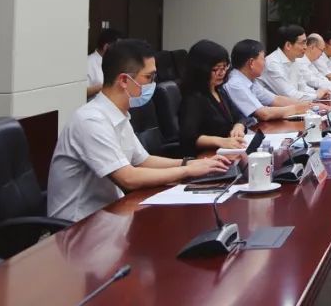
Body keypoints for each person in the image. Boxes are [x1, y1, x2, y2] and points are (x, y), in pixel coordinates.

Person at [48, 39, 231, 221]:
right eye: (149, 77)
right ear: (124, 80)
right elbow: (128, 178)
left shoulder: (119, 114)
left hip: (112, 213)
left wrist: (190, 163)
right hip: (78, 224)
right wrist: (187, 171)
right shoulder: (91, 120)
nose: (153, 84)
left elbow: (143, 160)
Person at [177, 39, 247, 156]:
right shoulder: (193, 98)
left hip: (227, 152)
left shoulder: (219, 90)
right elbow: (188, 138)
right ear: (201, 69)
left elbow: (239, 116)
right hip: (205, 157)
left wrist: (238, 127)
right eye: (216, 69)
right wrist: (221, 141)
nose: (222, 73)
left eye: (224, 67)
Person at [222, 39, 314, 122]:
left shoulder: (250, 80)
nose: (265, 63)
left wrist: (309, 106)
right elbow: (263, 114)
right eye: (263, 59)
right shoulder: (236, 84)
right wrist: (296, 108)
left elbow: (275, 99)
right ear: (251, 63)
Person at [259, 24, 331, 100]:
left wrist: (318, 93)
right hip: (276, 106)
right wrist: (316, 95)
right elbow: (289, 95)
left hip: (293, 104)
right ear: (288, 45)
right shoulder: (273, 64)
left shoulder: (295, 60)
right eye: (303, 43)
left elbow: (302, 87)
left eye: (306, 43)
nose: (305, 47)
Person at [86, 28, 124, 99]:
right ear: (106, 47)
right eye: (118, 48)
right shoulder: (88, 63)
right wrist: (104, 86)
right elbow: (81, 92)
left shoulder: (116, 61)